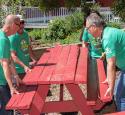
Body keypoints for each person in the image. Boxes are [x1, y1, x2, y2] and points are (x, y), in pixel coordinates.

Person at [85, 14, 125, 111]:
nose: (87, 31)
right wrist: (109, 79)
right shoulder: (107, 32)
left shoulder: (107, 37)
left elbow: (111, 64)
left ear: (94, 27)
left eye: (87, 28)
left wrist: (111, 86)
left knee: (118, 96)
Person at [81, 11, 106, 101]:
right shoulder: (87, 30)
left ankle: (106, 98)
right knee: (92, 80)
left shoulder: (104, 29)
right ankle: (92, 99)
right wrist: (85, 55)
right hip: (93, 58)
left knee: (105, 78)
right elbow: (84, 43)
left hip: (105, 58)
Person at [0, 14, 22, 115]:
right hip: (1, 82)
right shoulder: (3, 40)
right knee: (7, 110)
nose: (20, 27)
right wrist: (11, 86)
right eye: (18, 25)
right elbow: (5, 64)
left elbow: (10, 60)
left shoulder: (4, 37)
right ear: (13, 25)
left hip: (3, 81)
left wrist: (16, 75)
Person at [9, 15, 37, 79]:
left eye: (22, 22)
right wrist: (24, 66)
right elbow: (13, 56)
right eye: (19, 24)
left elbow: (29, 48)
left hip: (26, 68)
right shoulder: (13, 37)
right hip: (18, 71)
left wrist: (34, 60)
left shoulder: (25, 34)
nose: (21, 25)